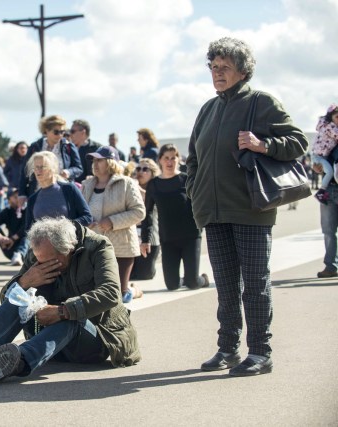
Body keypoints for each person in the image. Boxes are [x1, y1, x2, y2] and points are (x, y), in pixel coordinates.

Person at [186, 37, 308, 376]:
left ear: (243, 70)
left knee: (255, 285)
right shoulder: (208, 109)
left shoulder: (262, 102)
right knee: (225, 286)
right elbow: (193, 158)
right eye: (213, 67)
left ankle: (260, 351)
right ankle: (228, 348)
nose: (217, 73)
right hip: (213, 212)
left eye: (224, 67)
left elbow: (299, 142)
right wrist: (193, 189)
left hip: (251, 209)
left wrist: (263, 144)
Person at [0, 216, 141, 383]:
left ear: (68, 249)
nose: (42, 264)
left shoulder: (98, 247)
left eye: (51, 261)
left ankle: (17, 361)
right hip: (50, 341)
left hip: (98, 339)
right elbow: (6, 298)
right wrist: (25, 281)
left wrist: (61, 311)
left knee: (71, 316)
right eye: (39, 260)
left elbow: (111, 293)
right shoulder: (39, 252)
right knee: (20, 295)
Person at [81, 146, 145, 303]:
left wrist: (111, 221)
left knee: (119, 297)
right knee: (95, 294)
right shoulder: (87, 184)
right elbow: (81, 211)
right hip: (94, 247)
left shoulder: (126, 183)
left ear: (110, 162)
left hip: (121, 247)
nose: (95, 163)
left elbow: (139, 212)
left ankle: (131, 290)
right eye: (93, 160)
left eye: (99, 160)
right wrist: (84, 222)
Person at [143, 144, 209, 292]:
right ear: (160, 160)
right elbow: (148, 213)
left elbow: (200, 204)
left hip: (191, 237)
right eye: (166, 158)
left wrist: (203, 226)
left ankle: (202, 279)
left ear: (178, 160)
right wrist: (145, 239)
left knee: (192, 283)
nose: (170, 161)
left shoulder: (186, 179)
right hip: (168, 239)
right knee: (172, 285)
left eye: (173, 158)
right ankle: (184, 277)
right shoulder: (154, 184)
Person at [18, 115, 83, 202]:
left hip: (62, 194)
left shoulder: (68, 146)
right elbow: (25, 170)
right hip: (38, 193)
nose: (60, 135)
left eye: (62, 132)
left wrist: (68, 172)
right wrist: (22, 194)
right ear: (46, 130)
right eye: (56, 132)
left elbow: (78, 168)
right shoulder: (35, 146)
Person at [24, 151, 92, 232]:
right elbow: (28, 229)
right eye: (36, 167)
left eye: (42, 167)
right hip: (42, 244)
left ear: (53, 169)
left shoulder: (69, 189)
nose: (38, 171)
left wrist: (65, 227)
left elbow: (87, 217)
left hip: (69, 242)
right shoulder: (33, 199)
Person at [130, 159, 161, 281]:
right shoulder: (131, 188)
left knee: (145, 275)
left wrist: (138, 189)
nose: (140, 172)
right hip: (132, 236)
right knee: (131, 274)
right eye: (138, 169)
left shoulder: (158, 188)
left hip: (150, 237)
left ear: (153, 172)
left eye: (145, 169)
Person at [312, 161, 338, 278]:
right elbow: (319, 165)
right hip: (327, 189)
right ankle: (331, 266)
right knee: (328, 231)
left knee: (329, 231)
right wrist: (316, 168)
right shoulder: (324, 143)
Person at [310, 104, 338, 204]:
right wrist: (315, 167)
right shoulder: (330, 127)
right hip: (320, 157)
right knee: (329, 172)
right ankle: (321, 192)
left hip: (321, 156)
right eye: (337, 117)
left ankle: (322, 192)